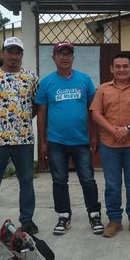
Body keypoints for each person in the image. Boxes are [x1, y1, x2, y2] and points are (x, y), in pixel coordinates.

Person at [36, 41, 104, 235]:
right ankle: (64, 215)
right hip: (56, 142)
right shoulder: (46, 83)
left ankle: (94, 214)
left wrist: (94, 135)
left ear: (73, 57)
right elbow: (41, 114)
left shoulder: (84, 80)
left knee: (88, 179)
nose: (65, 57)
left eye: (68, 54)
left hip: (81, 141)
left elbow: (93, 110)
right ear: (54, 58)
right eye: (61, 54)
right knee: (59, 180)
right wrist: (43, 142)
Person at [0, 37, 39, 235]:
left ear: (22, 55)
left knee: (26, 181)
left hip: (24, 139)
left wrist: (22, 121)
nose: (14, 56)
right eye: (10, 52)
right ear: (2, 53)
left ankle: (27, 220)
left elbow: (36, 106)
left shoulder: (31, 78)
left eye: (18, 53)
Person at [90, 53, 130, 238]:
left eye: (125, 66)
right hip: (109, 144)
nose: (121, 69)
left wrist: (127, 128)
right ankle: (114, 220)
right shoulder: (102, 89)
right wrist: (113, 130)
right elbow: (95, 113)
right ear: (111, 69)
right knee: (112, 185)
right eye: (117, 66)